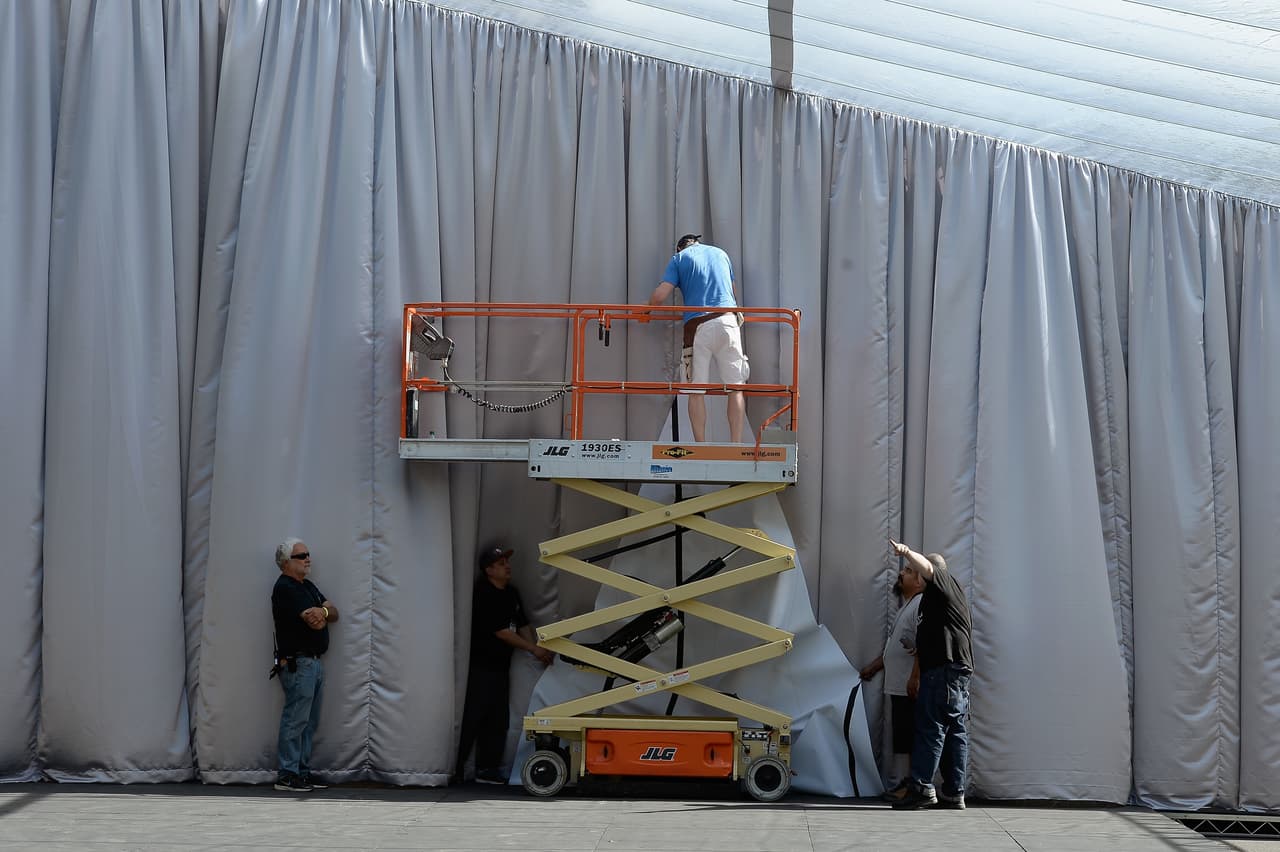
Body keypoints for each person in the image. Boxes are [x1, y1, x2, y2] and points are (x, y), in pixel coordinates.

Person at [455, 545, 554, 785]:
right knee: (473, 717)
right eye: (500, 564)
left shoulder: (511, 593)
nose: (507, 567)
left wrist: (537, 651)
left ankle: (487, 769)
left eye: (506, 562)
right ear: (488, 570)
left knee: (498, 719)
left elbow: (522, 625)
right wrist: (533, 649)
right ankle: (457, 768)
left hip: (500, 667)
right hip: (481, 666)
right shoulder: (483, 593)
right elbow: (502, 632)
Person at [888, 540, 973, 810]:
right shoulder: (932, 602)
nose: (910, 573)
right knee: (953, 731)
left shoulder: (943, 584)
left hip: (944, 671)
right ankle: (953, 792)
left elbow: (929, 566)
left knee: (931, 728)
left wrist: (906, 552)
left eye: (912, 571)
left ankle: (922, 787)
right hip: (952, 671)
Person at [647, 234, 749, 443]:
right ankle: (736, 444)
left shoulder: (680, 259)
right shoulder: (721, 254)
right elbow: (732, 291)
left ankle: (701, 446)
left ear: (679, 248)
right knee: (735, 388)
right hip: (729, 321)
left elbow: (660, 296)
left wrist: (646, 309)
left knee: (696, 391)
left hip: (698, 326)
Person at [271, 537, 338, 792]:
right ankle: (288, 774)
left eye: (308, 554)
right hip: (298, 663)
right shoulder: (286, 588)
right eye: (302, 556)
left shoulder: (307, 586)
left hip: (313, 663)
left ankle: (301, 771)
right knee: (296, 719)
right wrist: (322, 613)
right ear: (287, 563)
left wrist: (321, 612)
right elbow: (314, 619)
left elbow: (333, 614)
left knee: (309, 722)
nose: (308, 558)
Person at [859, 558, 925, 800]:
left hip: (909, 687)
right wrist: (875, 666)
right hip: (898, 686)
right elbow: (894, 647)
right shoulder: (905, 606)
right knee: (902, 736)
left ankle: (912, 786)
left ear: (919, 582)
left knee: (909, 737)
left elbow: (922, 646)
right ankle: (905, 783)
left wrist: (915, 677)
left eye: (908, 571)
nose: (901, 574)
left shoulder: (919, 605)